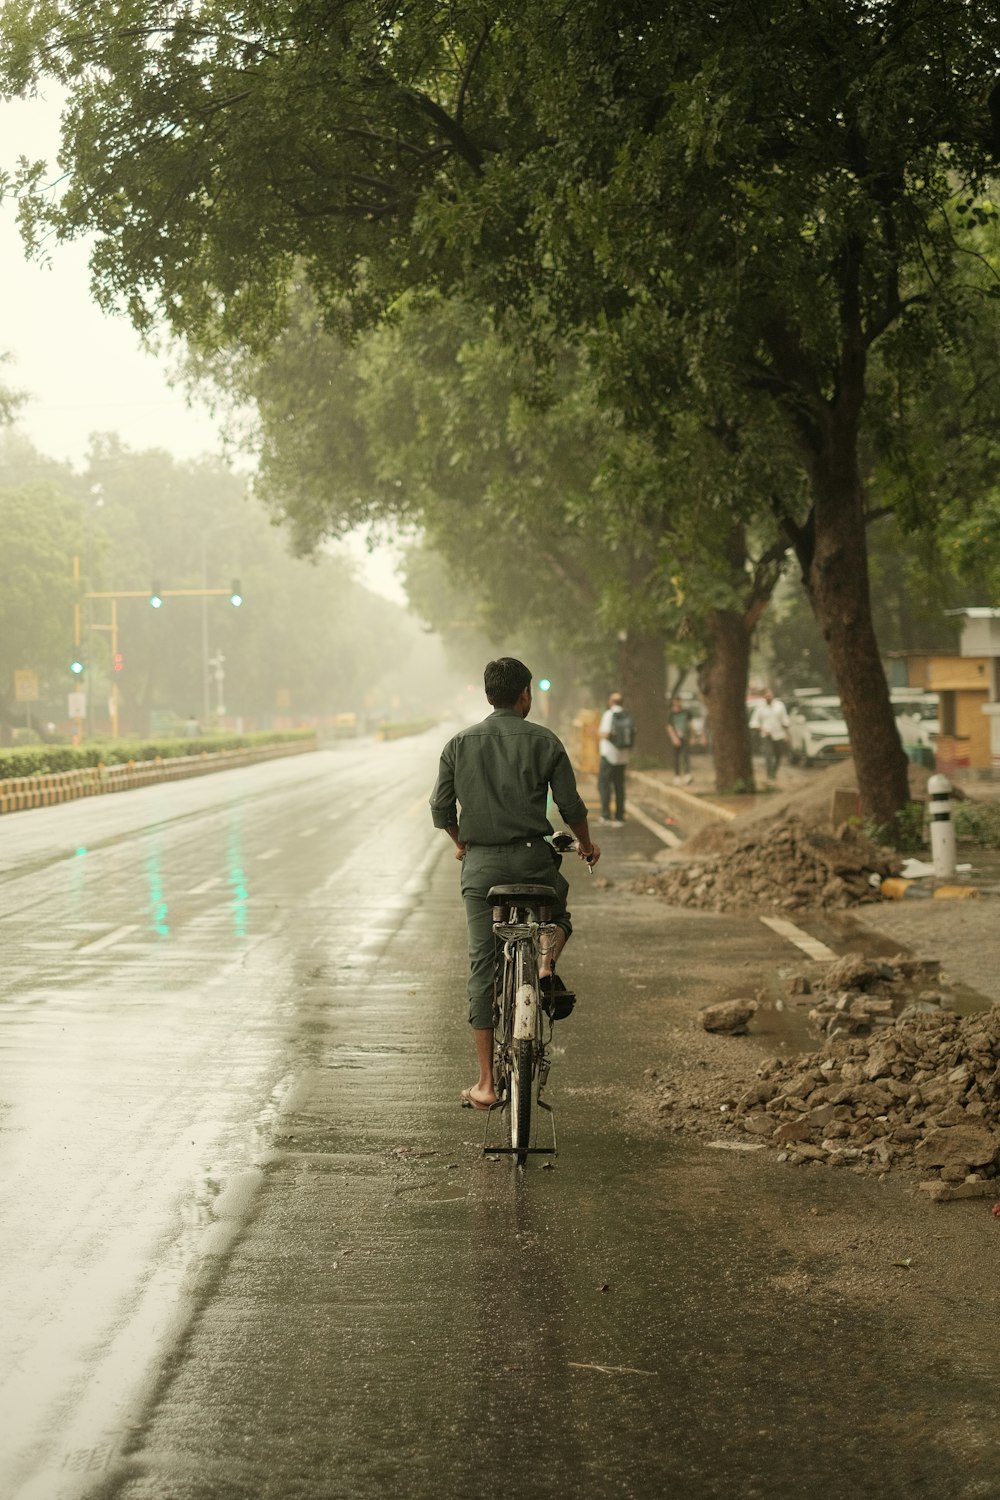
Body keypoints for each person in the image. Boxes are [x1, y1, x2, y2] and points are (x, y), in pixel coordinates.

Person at [429, 657, 600, 1111]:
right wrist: (585, 846)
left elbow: (441, 811)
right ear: (525, 694)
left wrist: (462, 843)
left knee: (483, 965)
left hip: (481, 869)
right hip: (533, 863)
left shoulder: (458, 745)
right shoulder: (544, 740)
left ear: (489, 695)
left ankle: (485, 1084)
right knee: (557, 912)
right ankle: (545, 963)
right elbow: (571, 806)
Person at [597, 690, 632, 824]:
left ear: (611, 702)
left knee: (604, 785)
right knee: (619, 786)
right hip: (622, 757)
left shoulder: (609, 714)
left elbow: (605, 733)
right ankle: (619, 815)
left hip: (608, 755)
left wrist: (599, 733)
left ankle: (605, 814)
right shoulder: (627, 715)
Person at [749, 687, 790, 779]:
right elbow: (754, 722)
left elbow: (785, 720)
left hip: (779, 734)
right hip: (766, 735)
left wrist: (786, 734)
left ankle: (774, 771)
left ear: (772, 695)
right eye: (766, 695)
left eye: (769, 695)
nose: (768, 697)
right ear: (764, 696)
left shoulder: (780, 706)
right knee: (768, 755)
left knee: (778, 755)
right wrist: (762, 730)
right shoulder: (760, 708)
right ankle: (769, 775)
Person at [666, 695, 692, 785]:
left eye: (679, 701)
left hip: (685, 736)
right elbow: (669, 727)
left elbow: (690, 725)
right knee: (676, 757)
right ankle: (677, 776)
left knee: (686, 756)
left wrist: (692, 737)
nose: (678, 703)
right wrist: (674, 738)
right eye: (676, 701)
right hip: (675, 737)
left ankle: (687, 775)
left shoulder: (686, 712)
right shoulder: (671, 714)